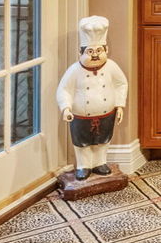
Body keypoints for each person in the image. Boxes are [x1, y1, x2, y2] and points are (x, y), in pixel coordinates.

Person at [55, 16, 129, 180]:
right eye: (90, 52)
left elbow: (121, 84)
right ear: (80, 52)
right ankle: (84, 165)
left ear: (106, 50)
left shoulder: (111, 67)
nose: (95, 55)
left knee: (103, 140)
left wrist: (119, 105)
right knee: (82, 142)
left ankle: (100, 163)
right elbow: (64, 90)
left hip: (106, 114)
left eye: (99, 51)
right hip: (81, 116)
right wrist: (66, 108)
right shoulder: (74, 70)